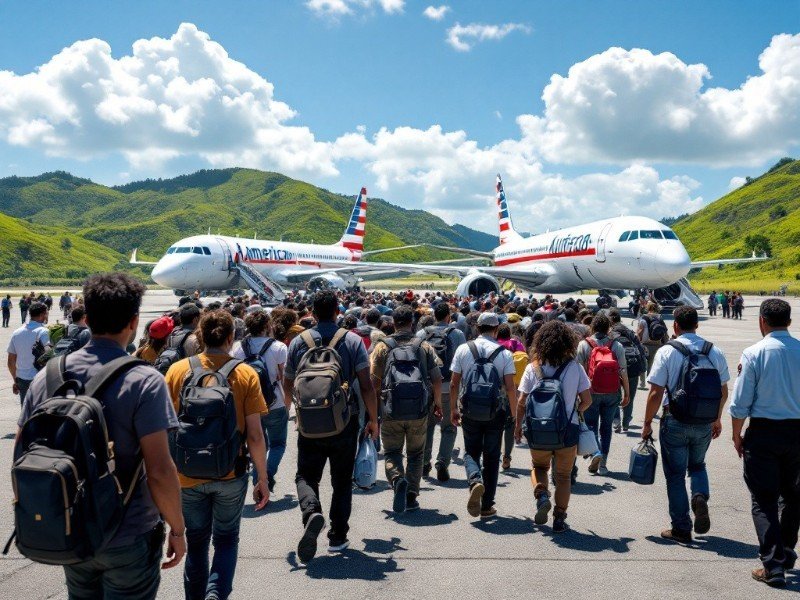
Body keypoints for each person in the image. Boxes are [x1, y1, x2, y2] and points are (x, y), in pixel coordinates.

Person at [17, 273, 185, 598]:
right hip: (130, 532)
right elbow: (161, 472)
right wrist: (177, 529)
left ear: (87, 318)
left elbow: (24, 452)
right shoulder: (145, 382)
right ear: (134, 322)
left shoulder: (48, 376)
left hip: (71, 526)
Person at [165, 310, 269, 600]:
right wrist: (263, 477)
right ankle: (216, 595)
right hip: (230, 471)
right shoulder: (245, 372)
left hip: (186, 474)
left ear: (200, 336)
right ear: (230, 337)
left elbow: (166, 428)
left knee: (196, 543)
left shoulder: (177, 371)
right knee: (225, 539)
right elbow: (255, 435)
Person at [283, 291, 379, 562]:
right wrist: (373, 419)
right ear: (338, 310)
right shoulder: (352, 341)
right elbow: (367, 384)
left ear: (312, 312)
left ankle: (311, 511)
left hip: (309, 423)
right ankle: (338, 536)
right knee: (341, 482)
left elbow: (288, 382)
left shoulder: (298, 342)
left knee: (305, 476)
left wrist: (295, 412)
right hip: (343, 423)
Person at [642, 306, 729, 545]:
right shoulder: (714, 351)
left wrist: (647, 422)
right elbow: (723, 390)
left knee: (675, 475)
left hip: (675, 419)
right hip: (704, 422)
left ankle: (681, 527)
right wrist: (717, 418)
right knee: (698, 465)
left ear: (675, 326)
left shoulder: (667, 351)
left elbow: (655, 392)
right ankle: (699, 496)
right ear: (697, 325)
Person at [729, 299, 800, 588]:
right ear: (790, 322)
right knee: (794, 496)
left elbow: (740, 402)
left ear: (762, 321)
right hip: (797, 432)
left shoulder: (754, 353)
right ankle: (785, 552)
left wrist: (737, 434)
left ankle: (773, 565)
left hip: (764, 432)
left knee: (763, 499)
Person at [515, 320, 593, 533]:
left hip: (538, 431)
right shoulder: (575, 368)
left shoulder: (533, 367)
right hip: (567, 430)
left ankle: (541, 494)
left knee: (539, 467)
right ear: (569, 342)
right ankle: (559, 517)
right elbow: (587, 400)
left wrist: (517, 427)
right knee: (563, 476)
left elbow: (522, 401)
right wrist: (576, 410)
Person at [372, 305, 442, 513]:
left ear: (393, 323)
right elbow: (437, 378)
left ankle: (396, 479)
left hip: (390, 409)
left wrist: (376, 409)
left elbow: (373, 381)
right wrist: (437, 403)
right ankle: (411, 495)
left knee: (392, 451)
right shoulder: (424, 346)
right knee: (416, 453)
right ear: (412, 323)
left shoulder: (382, 347)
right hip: (419, 409)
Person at [450, 312, 517, 518]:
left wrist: (453, 408)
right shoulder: (504, 353)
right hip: (495, 411)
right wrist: (514, 415)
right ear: (496, 330)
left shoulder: (463, 349)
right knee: (492, 456)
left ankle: (474, 478)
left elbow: (454, 383)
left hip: (469, 409)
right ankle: (487, 505)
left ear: (477, 328)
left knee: (471, 451)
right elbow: (511, 388)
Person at [232, 309, 289, 492]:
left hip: (248, 404)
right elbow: (283, 377)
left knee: (256, 443)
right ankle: (266, 476)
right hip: (274, 401)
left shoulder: (238, 348)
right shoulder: (278, 347)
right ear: (267, 326)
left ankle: (259, 481)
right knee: (278, 443)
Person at [417, 301, 466, 481]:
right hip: (448, 387)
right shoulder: (458, 334)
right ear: (448, 317)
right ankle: (442, 463)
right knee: (449, 427)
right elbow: (460, 364)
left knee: (427, 427)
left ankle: (424, 462)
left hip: (427, 388)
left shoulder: (422, 333)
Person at [576, 313, 630, 475]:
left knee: (591, 425)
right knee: (606, 428)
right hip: (612, 392)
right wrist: (626, 393)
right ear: (608, 328)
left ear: (592, 327)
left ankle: (596, 453)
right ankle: (604, 463)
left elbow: (578, 371)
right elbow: (623, 371)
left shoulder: (584, 345)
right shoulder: (616, 346)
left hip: (590, 391)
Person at [608, 308, 646, 433]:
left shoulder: (611, 334)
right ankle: (626, 421)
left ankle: (616, 421)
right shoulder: (629, 332)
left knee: (615, 395)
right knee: (630, 395)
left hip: (615, 369)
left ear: (611, 320)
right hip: (633, 368)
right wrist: (642, 368)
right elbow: (640, 349)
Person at [7, 301, 50, 405]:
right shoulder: (43, 332)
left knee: (25, 413)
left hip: (21, 379)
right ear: (41, 315)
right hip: (39, 379)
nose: (47, 315)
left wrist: (15, 380)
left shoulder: (17, 332)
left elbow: (10, 361)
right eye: (46, 313)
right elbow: (49, 354)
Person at [637, 302, 668, 389]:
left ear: (648, 308)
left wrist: (637, 341)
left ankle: (642, 383)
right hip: (657, 344)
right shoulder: (660, 318)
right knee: (651, 363)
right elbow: (664, 332)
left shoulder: (643, 318)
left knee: (643, 363)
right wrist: (665, 343)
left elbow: (640, 331)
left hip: (645, 344)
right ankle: (650, 382)